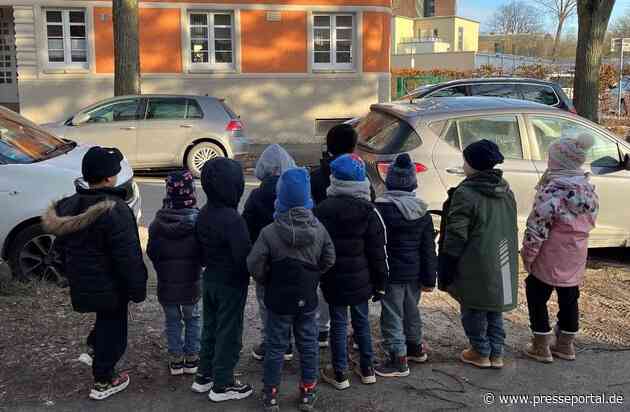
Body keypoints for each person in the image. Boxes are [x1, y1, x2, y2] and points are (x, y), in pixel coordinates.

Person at [42, 146, 147, 400]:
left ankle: (93, 346)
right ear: (110, 178)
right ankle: (104, 380)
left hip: (84, 283)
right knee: (115, 330)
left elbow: (58, 250)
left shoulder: (70, 205)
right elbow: (128, 256)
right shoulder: (116, 210)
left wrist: (69, 274)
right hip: (112, 286)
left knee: (105, 319)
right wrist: (138, 288)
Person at [247, 168, 336, 412]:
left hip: (278, 299)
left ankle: (271, 393)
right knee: (308, 344)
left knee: (275, 346)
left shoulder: (269, 232)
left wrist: (266, 278)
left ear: (280, 197)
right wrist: (313, 275)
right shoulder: (318, 230)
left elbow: (253, 264)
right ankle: (308, 390)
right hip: (307, 299)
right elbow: (330, 258)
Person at [438, 139, 518, 370]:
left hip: (474, 260)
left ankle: (480, 351)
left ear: (472, 165)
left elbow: (456, 233)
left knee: (473, 308)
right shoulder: (505, 190)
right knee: (494, 307)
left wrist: (448, 261)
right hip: (501, 259)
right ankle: (497, 352)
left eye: (465, 161)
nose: (463, 165)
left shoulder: (466, 192)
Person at [521, 134, 599, 363]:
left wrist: (528, 255)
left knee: (536, 293)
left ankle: (541, 345)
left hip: (550, 253)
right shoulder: (588, 190)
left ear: (557, 161)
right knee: (569, 296)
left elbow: (537, 227)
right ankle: (565, 345)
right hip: (576, 253)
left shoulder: (552, 190)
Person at [314, 154, 388, 390]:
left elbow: (317, 248)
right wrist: (381, 283)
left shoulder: (322, 210)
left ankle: (340, 372)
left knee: (338, 323)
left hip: (333, 279)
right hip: (362, 280)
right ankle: (367, 369)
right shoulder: (370, 211)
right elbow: (379, 252)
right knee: (362, 321)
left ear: (334, 179)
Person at [192, 158, 253, 402]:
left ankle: (204, 375)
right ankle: (223, 384)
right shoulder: (233, 219)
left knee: (211, 327)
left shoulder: (204, 212)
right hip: (231, 283)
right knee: (229, 331)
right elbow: (243, 256)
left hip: (210, 279)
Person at [374, 154, 437, 378]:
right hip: (414, 272)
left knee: (392, 313)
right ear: (413, 183)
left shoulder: (379, 209)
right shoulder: (422, 212)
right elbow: (429, 248)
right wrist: (430, 279)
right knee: (411, 311)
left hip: (390, 273)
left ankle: (398, 358)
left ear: (388, 182)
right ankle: (415, 347)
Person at [310, 124, 363, 348]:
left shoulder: (316, 176)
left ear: (329, 146)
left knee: (324, 284)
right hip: (356, 244)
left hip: (324, 241)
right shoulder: (361, 175)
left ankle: (323, 330)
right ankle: (360, 336)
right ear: (353, 147)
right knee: (357, 289)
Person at [242, 144, 297, 361]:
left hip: (265, 262)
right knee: (289, 302)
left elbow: (246, 229)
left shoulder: (256, 196)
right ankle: (289, 343)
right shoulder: (294, 191)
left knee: (266, 304)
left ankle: (272, 342)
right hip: (292, 260)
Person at [147, 171, 202, 376]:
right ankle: (193, 357)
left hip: (166, 284)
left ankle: (176, 359)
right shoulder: (197, 223)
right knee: (193, 317)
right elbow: (203, 254)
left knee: (172, 320)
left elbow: (152, 253)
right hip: (191, 283)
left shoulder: (157, 224)